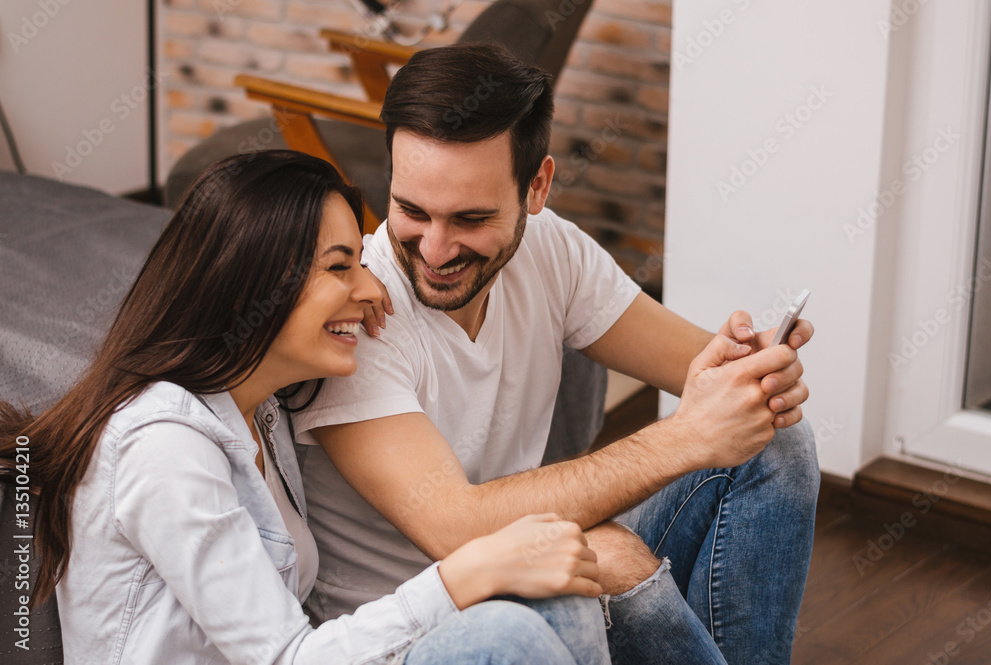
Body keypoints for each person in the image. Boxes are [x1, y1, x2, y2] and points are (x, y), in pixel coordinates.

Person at [291, 43, 821, 665]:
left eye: (470, 218)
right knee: (612, 559)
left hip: (519, 568)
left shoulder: (551, 252)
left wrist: (753, 372)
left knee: (776, 442)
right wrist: (689, 436)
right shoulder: (357, 315)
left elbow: (709, 369)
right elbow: (455, 528)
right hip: (423, 632)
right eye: (412, 210)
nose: (434, 249)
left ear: (536, 186)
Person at [0, 151, 612, 664]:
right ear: (254, 283)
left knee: (558, 597)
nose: (373, 290)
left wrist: (338, 302)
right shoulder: (164, 446)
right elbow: (286, 658)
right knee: (505, 632)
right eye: (342, 267)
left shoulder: (262, 410)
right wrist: (462, 577)